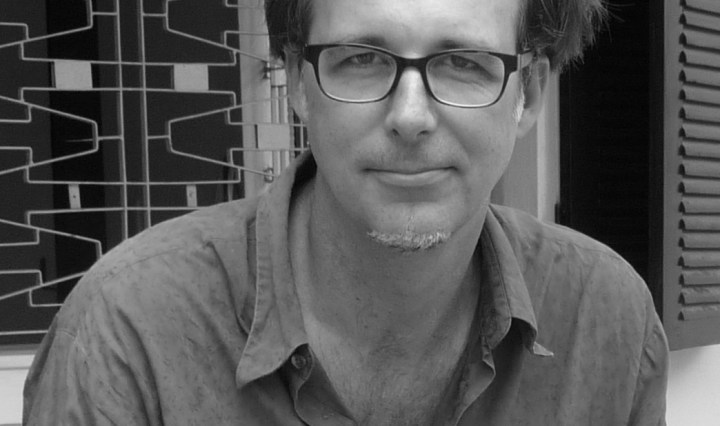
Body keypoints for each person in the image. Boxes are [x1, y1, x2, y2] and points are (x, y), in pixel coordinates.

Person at [23, 0, 669, 424]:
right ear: (299, 83)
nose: (410, 116)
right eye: (362, 59)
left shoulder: (606, 323)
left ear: (528, 93)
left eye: (462, 63)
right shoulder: (127, 332)